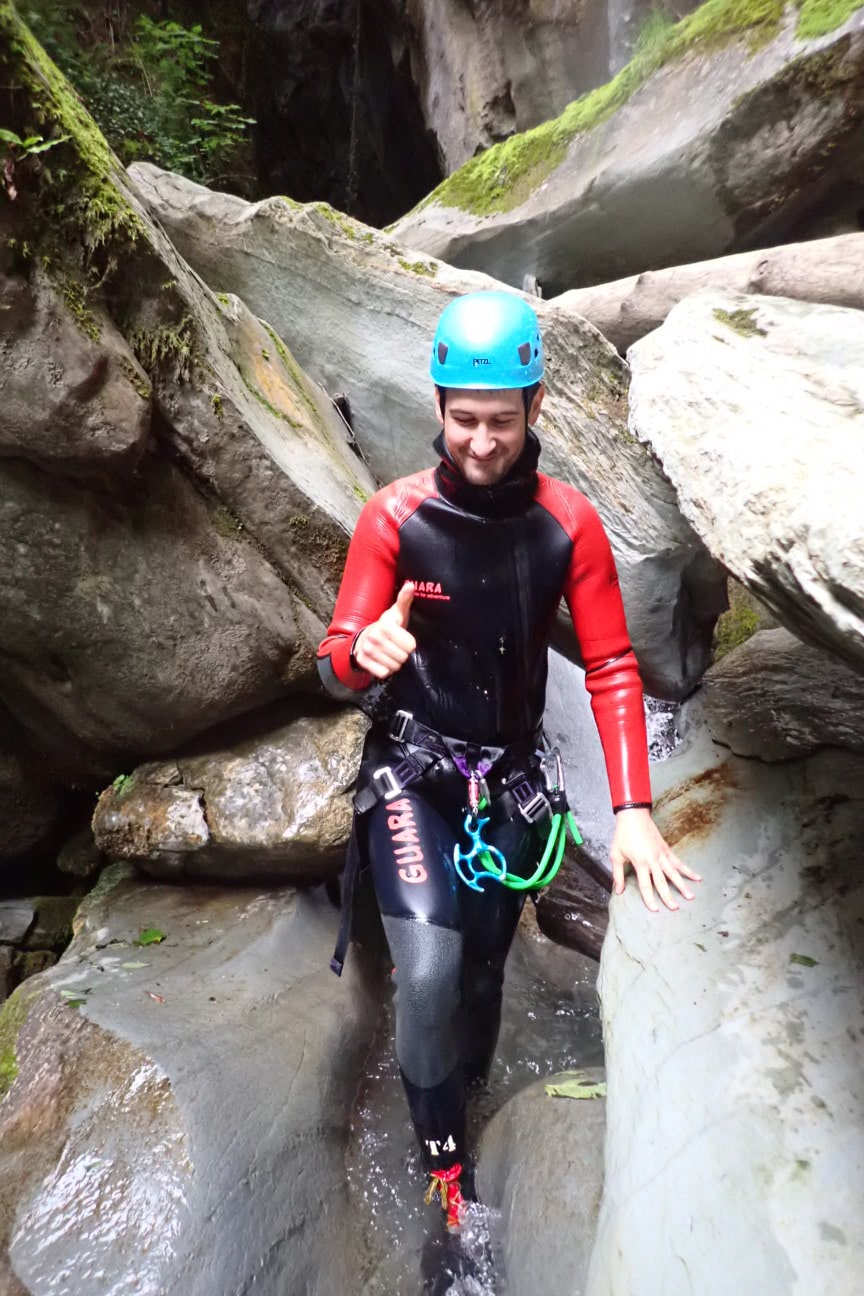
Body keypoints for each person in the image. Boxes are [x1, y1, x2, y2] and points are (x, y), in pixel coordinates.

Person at [317, 291, 700, 1232]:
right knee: (431, 974)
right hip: (413, 777)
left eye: (500, 420)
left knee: (485, 976)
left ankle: (471, 1096)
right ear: (438, 406)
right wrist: (362, 653)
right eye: (463, 420)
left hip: (511, 783)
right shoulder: (394, 517)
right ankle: (447, 1175)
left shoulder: (568, 524)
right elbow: (332, 660)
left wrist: (633, 811)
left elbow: (611, 666)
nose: (481, 442)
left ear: (536, 408)